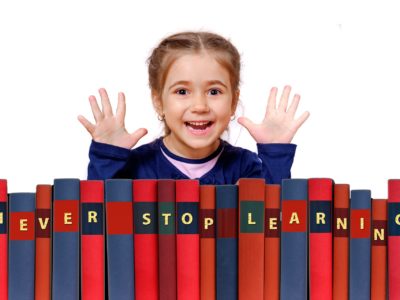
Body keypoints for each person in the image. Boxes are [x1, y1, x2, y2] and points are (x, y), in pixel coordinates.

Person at [78, 31, 310, 185]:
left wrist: (275, 154)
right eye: (182, 92)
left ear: (232, 102)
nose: (199, 106)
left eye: (214, 92)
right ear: (158, 101)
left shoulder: (246, 167)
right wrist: (107, 157)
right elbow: (97, 226)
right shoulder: (135, 167)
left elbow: (277, 227)